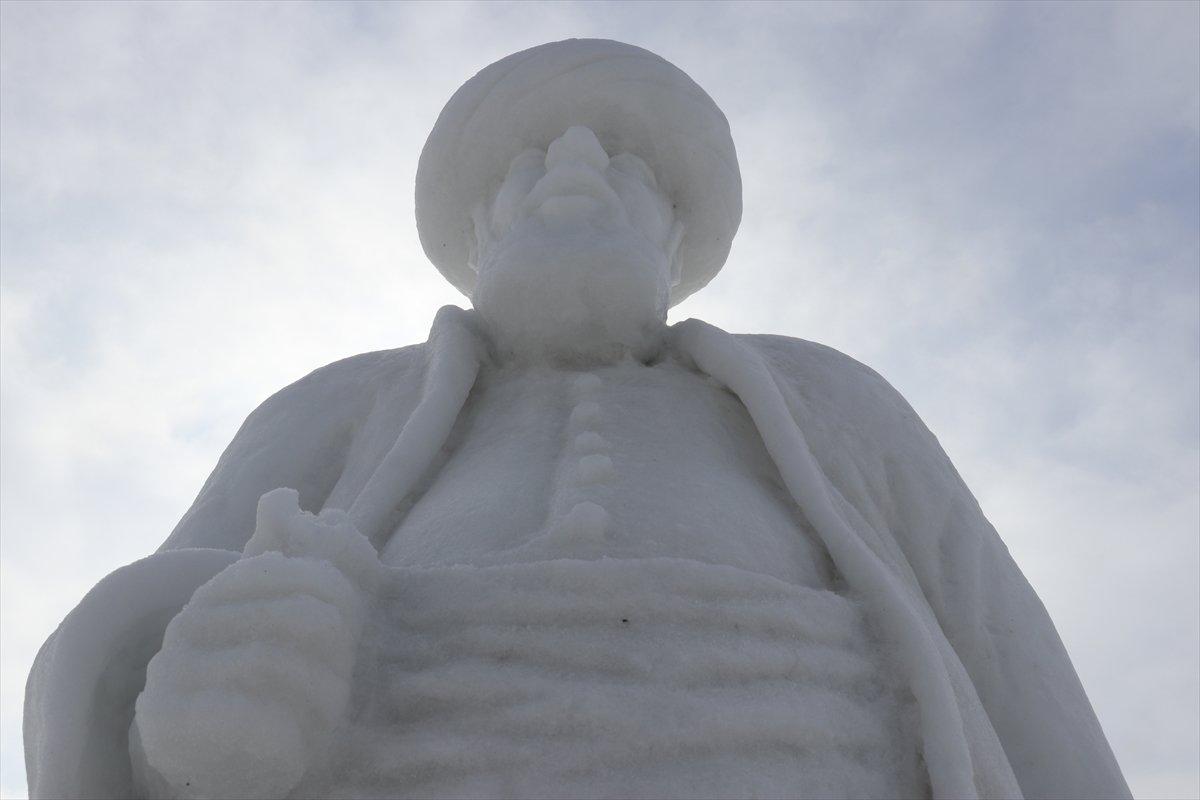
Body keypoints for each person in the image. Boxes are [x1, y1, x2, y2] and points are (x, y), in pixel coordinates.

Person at [25, 38, 1131, 800]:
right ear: (476, 225)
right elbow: (136, 661)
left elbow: (1010, 671)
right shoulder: (334, 408)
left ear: (676, 237)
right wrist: (189, 722)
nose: (575, 175)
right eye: (530, 162)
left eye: (626, 163)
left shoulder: (828, 403)